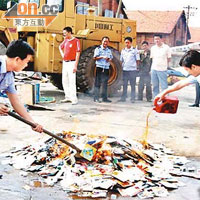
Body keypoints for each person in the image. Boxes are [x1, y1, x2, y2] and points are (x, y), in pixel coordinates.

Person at [0, 39, 43, 133]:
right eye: (26, 61)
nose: (26, 65)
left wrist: (32, 123)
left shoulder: (9, 75)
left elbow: (16, 102)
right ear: (17, 59)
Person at [59, 26, 80, 105]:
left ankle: (74, 99)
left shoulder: (76, 41)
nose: (64, 35)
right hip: (65, 62)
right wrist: (63, 55)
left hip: (72, 62)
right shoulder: (66, 41)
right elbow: (60, 47)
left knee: (72, 81)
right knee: (65, 80)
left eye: (65, 33)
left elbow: (78, 53)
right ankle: (67, 96)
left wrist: (75, 65)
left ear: (69, 32)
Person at [118, 37, 140, 103]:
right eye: (125, 43)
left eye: (128, 42)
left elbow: (137, 60)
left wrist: (136, 67)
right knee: (124, 84)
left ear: (131, 43)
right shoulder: (123, 51)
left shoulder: (134, 50)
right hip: (125, 70)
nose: (126, 44)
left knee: (132, 84)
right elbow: (121, 60)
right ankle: (123, 98)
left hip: (132, 70)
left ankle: (132, 98)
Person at [93, 36, 113, 103]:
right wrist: (102, 57)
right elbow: (95, 58)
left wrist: (109, 59)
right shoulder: (98, 49)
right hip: (99, 67)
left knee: (105, 84)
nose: (105, 43)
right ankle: (96, 98)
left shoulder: (109, 50)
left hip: (106, 68)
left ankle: (104, 98)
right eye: (104, 41)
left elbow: (111, 58)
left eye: (107, 41)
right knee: (97, 83)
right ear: (102, 41)